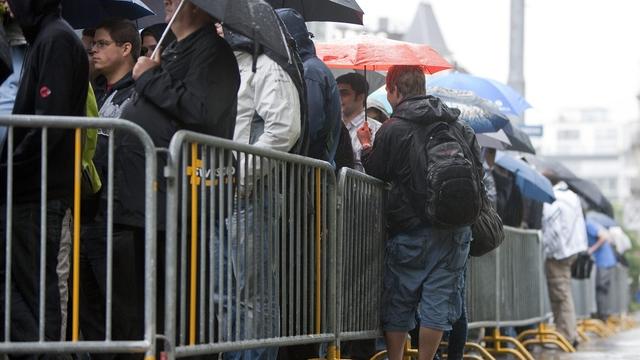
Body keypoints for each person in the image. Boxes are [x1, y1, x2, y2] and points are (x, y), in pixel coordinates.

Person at [116, 0, 240, 342]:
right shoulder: (175, 49)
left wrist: (150, 76)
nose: (168, 3)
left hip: (183, 194)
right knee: (151, 296)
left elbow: (199, 109)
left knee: (183, 296)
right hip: (149, 194)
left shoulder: (215, 54)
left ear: (198, 7)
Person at [359, 65, 481, 360]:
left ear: (394, 90)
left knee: (400, 299)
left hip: (411, 229)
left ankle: (397, 358)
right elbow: (477, 170)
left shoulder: (393, 127)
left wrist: (365, 146)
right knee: (438, 302)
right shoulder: (457, 125)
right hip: (455, 229)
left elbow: (379, 170)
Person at [0, 0, 88, 351]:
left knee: (38, 293)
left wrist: (9, 169)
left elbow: (48, 126)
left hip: (39, 194)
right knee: (15, 290)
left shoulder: (57, 41)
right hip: (24, 193)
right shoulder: (47, 40)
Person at [79, 18, 141, 357]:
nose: (93, 49)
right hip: (91, 213)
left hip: (118, 218)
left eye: (102, 43)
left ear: (125, 48)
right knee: (91, 313)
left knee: (120, 312)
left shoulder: (139, 93)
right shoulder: (99, 91)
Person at [276, 8, 341, 164]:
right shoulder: (310, 68)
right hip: (311, 169)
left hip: (309, 172)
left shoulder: (310, 71)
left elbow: (310, 126)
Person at [541, 177, 588, 347]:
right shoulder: (572, 196)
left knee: (560, 296)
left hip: (559, 253)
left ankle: (567, 336)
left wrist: (551, 251)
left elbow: (552, 227)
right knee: (564, 293)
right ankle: (568, 333)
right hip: (573, 249)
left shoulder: (552, 197)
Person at [336, 73, 381, 172]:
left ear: (360, 97)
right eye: (336, 93)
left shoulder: (377, 129)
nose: (339, 98)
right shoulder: (333, 125)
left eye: (344, 94)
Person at [585, 218, 617, 321]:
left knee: (601, 288)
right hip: (604, 261)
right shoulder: (590, 223)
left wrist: (591, 249)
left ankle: (602, 316)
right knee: (603, 289)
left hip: (604, 261)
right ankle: (603, 315)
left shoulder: (588, 224)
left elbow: (603, 237)